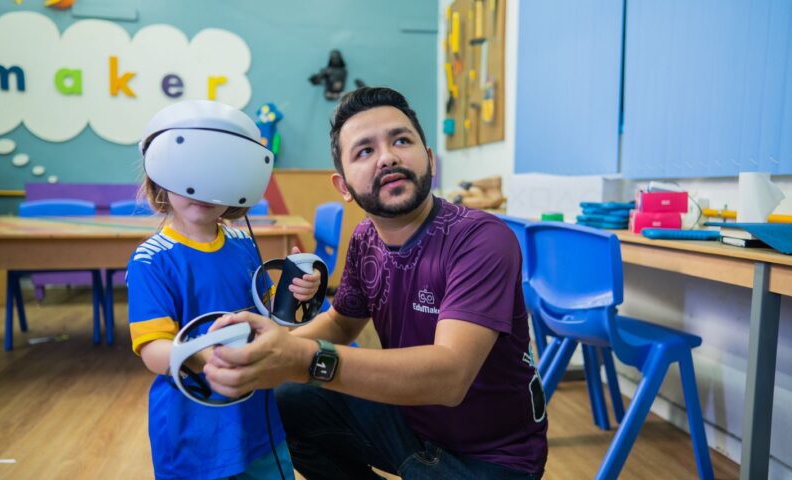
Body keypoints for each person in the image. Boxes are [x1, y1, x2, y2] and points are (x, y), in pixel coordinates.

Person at [204, 87, 548, 479]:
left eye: (401, 140)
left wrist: (302, 358)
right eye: (364, 151)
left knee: (301, 378)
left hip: (489, 459)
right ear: (344, 187)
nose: (387, 157)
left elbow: (450, 377)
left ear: (430, 160)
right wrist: (268, 350)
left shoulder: (481, 238)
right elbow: (340, 322)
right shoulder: (366, 238)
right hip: (409, 426)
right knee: (292, 399)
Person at [126, 100, 321, 480]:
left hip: (257, 420)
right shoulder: (151, 259)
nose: (201, 186)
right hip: (194, 430)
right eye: (187, 171)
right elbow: (152, 350)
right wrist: (209, 358)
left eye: (218, 172)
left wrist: (295, 293)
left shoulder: (244, 245)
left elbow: (267, 320)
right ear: (158, 176)